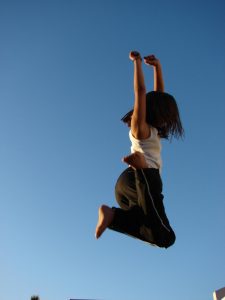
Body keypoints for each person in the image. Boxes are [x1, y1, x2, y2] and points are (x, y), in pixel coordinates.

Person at [95, 51, 184, 248]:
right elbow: (141, 92)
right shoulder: (140, 128)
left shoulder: (151, 129)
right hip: (142, 177)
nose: (166, 120)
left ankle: (112, 216)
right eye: (165, 115)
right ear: (154, 110)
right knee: (165, 236)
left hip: (128, 187)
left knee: (152, 229)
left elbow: (157, 94)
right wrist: (136, 63)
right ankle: (140, 169)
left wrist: (157, 68)